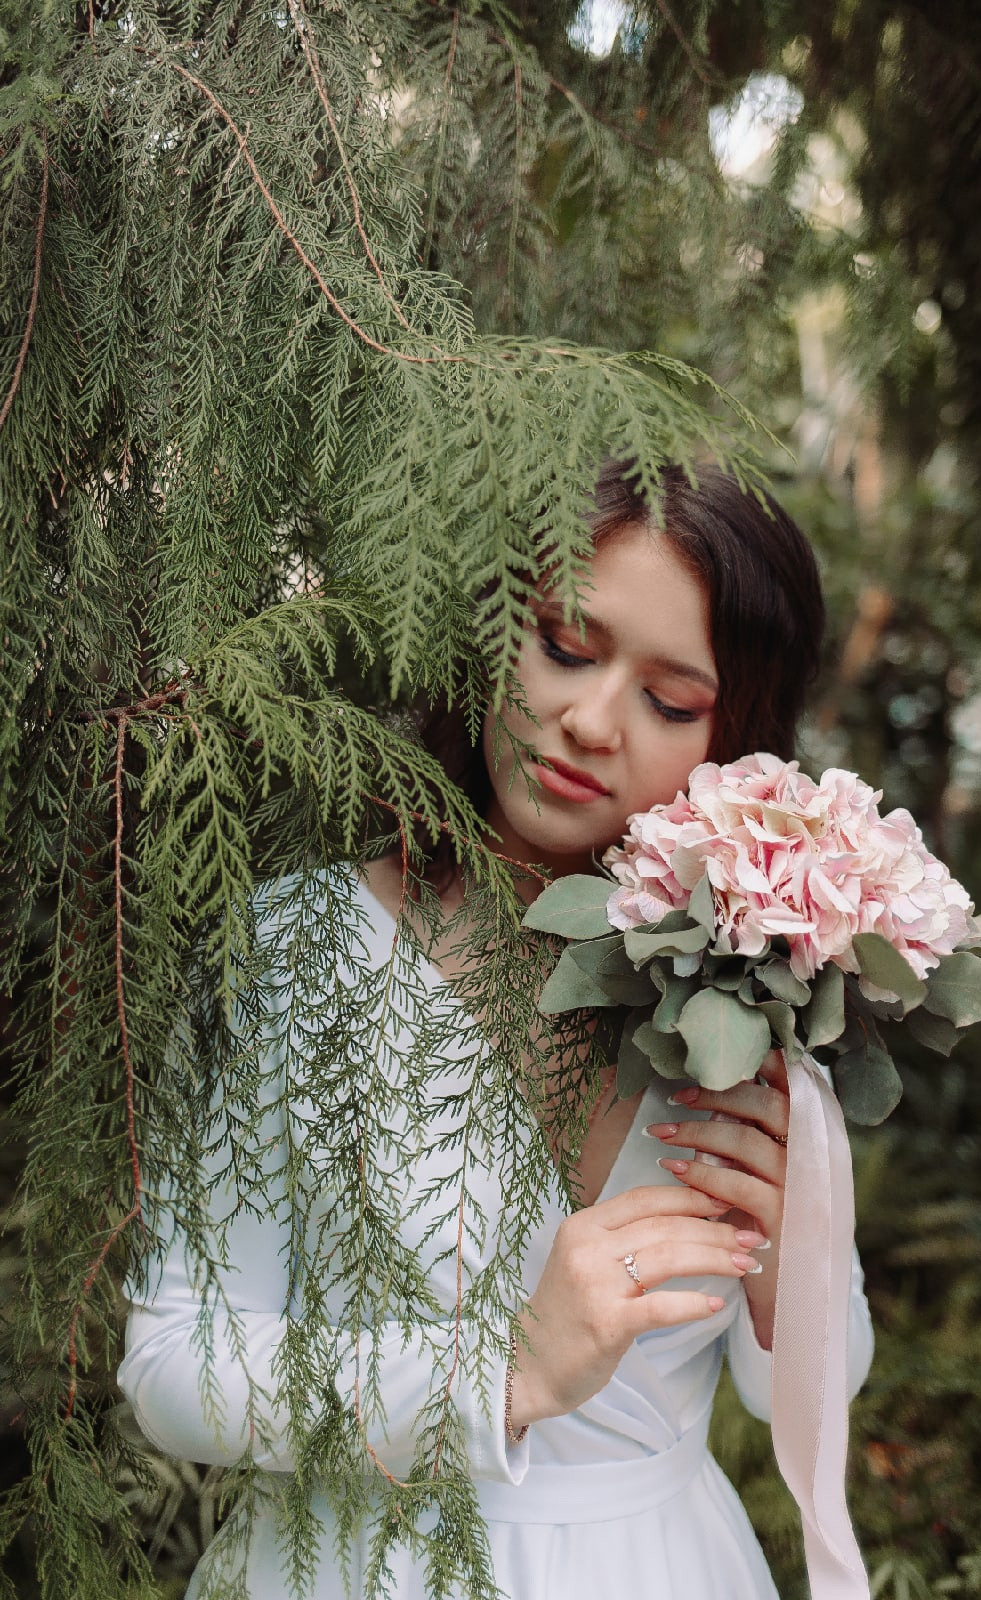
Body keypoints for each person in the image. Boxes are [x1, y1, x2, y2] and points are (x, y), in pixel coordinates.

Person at [118, 460, 875, 1599]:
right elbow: (172, 1365)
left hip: (667, 1563)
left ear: (738, 736)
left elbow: (803, 1390)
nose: (587, 718)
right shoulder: (289, 948)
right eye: (567, 645)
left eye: (669, 702)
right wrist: (498, 1370)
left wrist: (792, 1273)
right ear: (492, 634)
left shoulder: (757, 984)